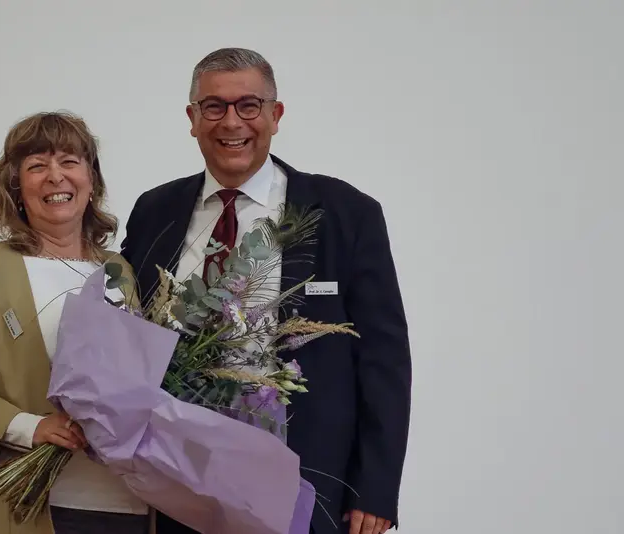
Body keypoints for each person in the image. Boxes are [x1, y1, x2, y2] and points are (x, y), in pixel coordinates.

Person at [120, 48, 412, 534]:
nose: (231, 121)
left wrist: (375, 489)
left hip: (306, 477)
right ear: (192, 119)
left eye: (248, 105)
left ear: (275, 116)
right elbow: (127, 335)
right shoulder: (155, 210)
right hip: (178, 480)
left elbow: (384, 359)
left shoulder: (346, 213)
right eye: (213, 106)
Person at [0, 111, 151, 534]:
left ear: (91, 180)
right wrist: (35, 429)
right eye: (37, 166)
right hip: (33, 507)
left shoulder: (120, 271)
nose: (56, 176)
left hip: (128, 504)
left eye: (69, 161)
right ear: (16, 188)